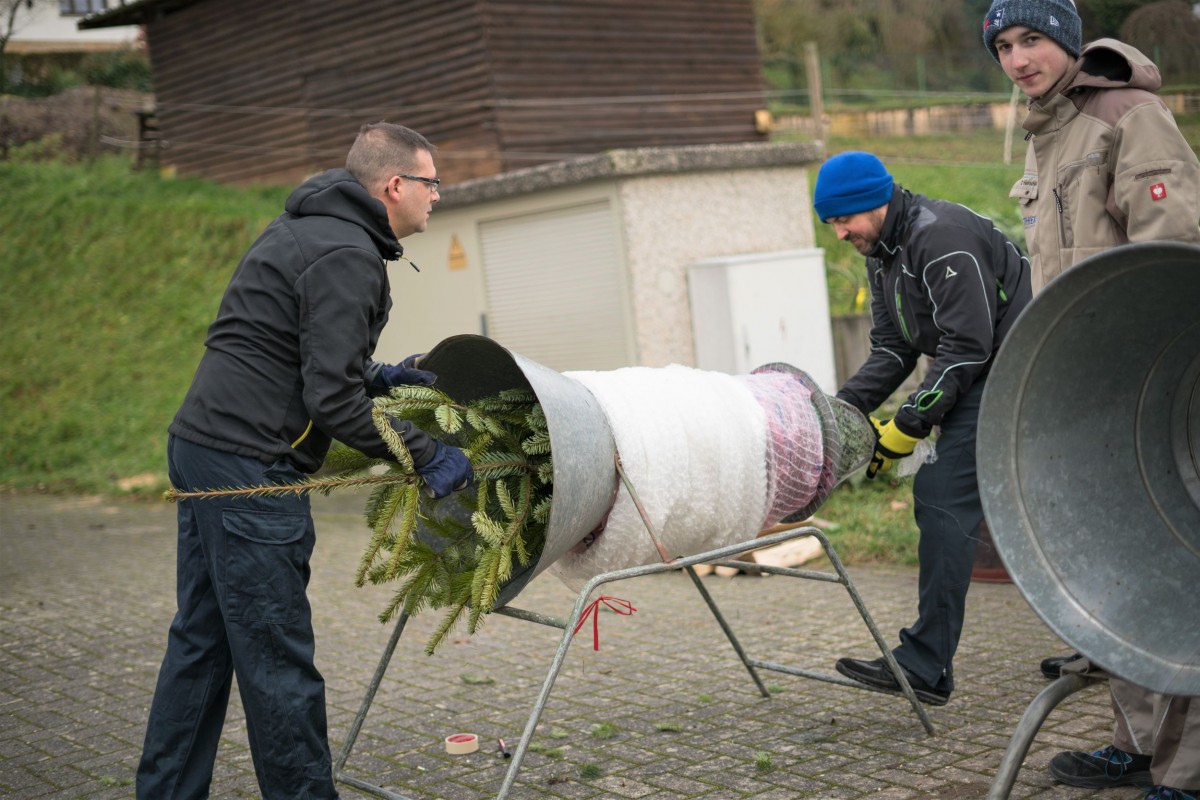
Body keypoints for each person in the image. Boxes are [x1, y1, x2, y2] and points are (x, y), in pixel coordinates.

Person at [135, 122, 473, 799]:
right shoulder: (347, 254)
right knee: (276, 659)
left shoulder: (310, 230)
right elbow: (333, 402)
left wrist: (380, 376)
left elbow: (298, 350)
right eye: (432, 183)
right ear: (395, 185)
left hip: (204, 446)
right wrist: (426, 452)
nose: (438, 196)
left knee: (204, 642)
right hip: (249, 467)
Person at [982, 1, 1200, 797]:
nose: (1016, 58)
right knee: (1114, 571)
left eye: (1031, 39)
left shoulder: (1126, 115)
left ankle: (1186, 772)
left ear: (1068, 41)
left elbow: (1173, 254)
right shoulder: (1048, 133)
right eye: (1003, 45)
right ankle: (1138, 745)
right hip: (1089, 385)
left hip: (1152, 379)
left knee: (1175, 573)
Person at [814, 150, 1032, 707]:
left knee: (941, 497)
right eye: (831, 223)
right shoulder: (882, 252)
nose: (839, 233)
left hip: (1020, 365)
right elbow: (892, 349)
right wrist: (838, 414)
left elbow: (968, 345)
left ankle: (925, 666)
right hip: (978, 368)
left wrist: (908, 425)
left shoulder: (941, 238)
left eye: (843, 219)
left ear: (874, 202)